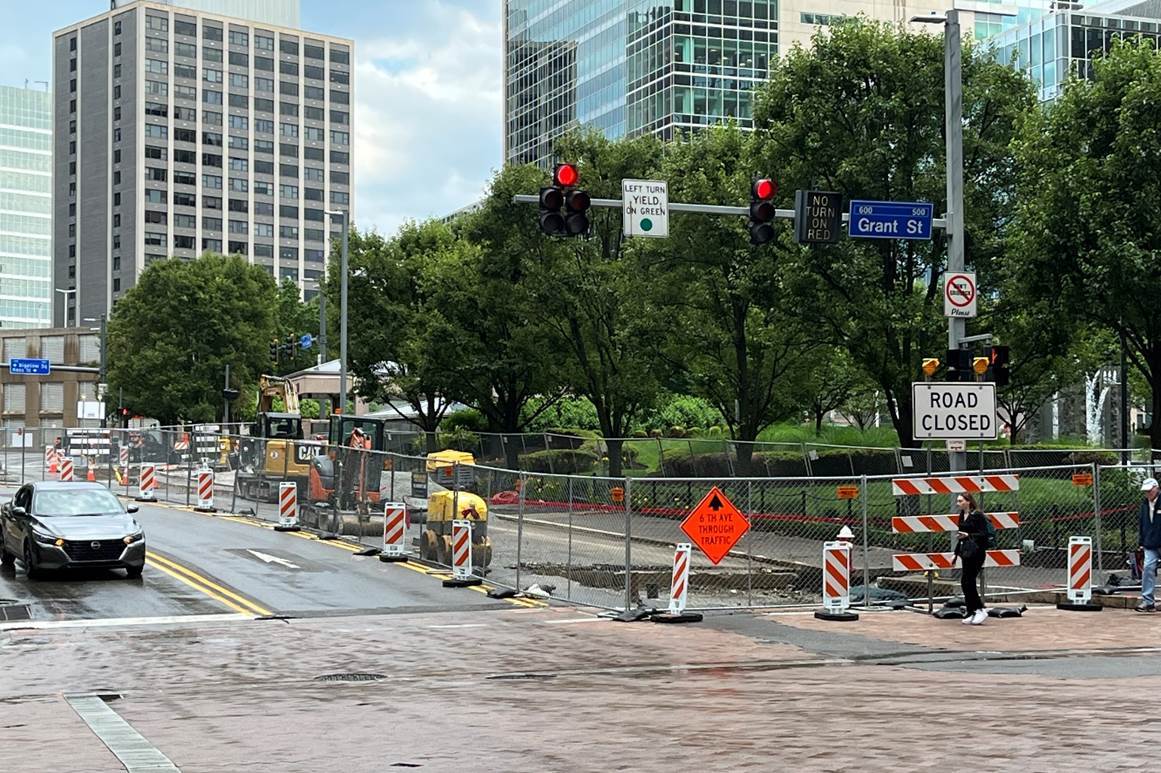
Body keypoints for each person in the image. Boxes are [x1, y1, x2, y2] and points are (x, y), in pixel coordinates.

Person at [955, 493, 990, 625]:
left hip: (976, 552)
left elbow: (983, 534)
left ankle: (980, 608)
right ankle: (971, 610)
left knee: (969, 580)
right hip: (966, 551)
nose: (958, 504)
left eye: (960, 501)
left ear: (968, 502)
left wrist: (968, 535)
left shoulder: (977, 516)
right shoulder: (961, 515)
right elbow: (961, 535)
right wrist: (956, 552)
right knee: (965, 581)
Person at [1137, 478, 1161, 613]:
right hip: (1150, 543)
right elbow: (1142, 524)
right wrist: (1141, 542)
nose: (1148, 493)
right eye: (1146, 491)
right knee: (1148, 568)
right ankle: (1148, 601)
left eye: (1150, 490)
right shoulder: (1144, 504)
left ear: (1156, 488)